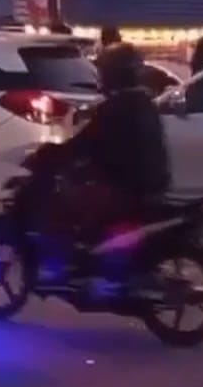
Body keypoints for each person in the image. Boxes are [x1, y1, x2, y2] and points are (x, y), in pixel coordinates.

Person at [38, 43, 171, 277]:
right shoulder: (145, 103)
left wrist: (50, 154)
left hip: (123, 187)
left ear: (113, 75)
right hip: (151, 183)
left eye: (104, 72)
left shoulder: (117, 107)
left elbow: (84, 144)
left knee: (61, 203)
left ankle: (64, 266)